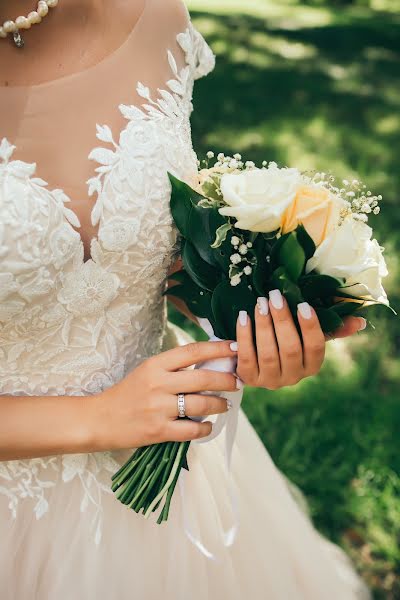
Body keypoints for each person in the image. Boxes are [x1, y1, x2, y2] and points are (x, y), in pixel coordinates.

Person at [0, 0, 371, 598]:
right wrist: (94, 419)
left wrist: (244, 319)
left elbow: (134, 260)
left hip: (176, 474)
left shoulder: (152, 13)